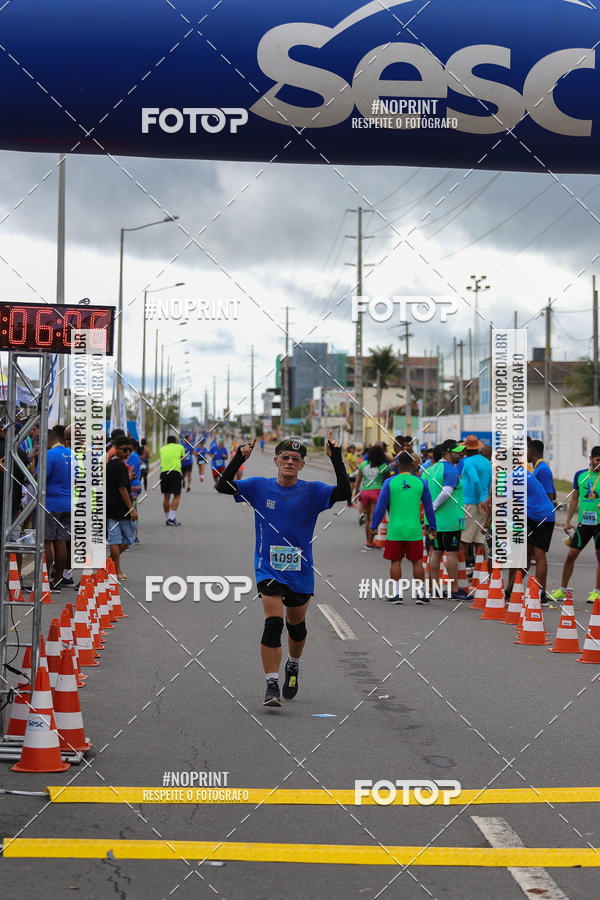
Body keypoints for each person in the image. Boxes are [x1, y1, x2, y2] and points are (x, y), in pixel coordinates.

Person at [216, 433, 351, 708]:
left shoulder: (312, 491)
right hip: (268, 568)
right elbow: (223, 486)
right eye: (285, 458)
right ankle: (271, 684)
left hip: (300, 570)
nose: (290, 462)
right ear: (276, 461)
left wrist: (336, 458)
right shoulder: (258, 487)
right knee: (274, 623)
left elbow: (345, 494)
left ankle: (293, 664)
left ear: (301, 466)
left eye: (296, 459)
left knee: (296, 626)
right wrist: (239, 457)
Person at [370, 450, 436, 605]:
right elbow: (429, 507)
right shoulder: (421, 482)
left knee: (395, 561)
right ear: (413, 464)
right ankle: (420, 595)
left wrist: (373, 526)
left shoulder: (389, 483)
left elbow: (380, 507)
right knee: (417, 561)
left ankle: (397, 595)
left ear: (397, 465)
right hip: (414, 529)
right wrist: (433, 526)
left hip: (395, 529)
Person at [551, 446, 600, 603]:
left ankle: (596, 592)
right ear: (591, 458)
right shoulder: (580, 475)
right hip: (584, 522)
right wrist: (567, 521)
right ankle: (562, 590)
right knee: (571, 554)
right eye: (598, 460)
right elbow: (574, 499)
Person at [505, 468, 555, 603]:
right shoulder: (523, 472)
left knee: (537, 555)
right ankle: (511, 591)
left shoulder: (510, 476)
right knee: (528, 555)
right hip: (542, 513)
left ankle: (539, 593)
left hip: (538, 515)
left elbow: (504, 503)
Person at [428, 439, 469, 601]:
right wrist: (434, 507)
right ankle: (454, 589)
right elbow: (447, 492)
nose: (460, 454)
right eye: (457, 451)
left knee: (436, 552)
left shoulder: (430, 470)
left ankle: (435, 588)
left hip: (434, 522)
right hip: (450, 520)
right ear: (447, 453)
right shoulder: (451, 470)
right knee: (452, 554)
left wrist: (429, 512)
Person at [106, 435, 138, 580]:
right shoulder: (119, 465)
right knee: (127, 539)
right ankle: (116, 569)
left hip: (109, 507)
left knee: (115, 539)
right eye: (125, 450)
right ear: (116, 449)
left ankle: (111, 565)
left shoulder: (110, 464)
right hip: (121, 508)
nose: (128, 453)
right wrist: (131, 508)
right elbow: (122, 489)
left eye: (130, 450)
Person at [44, 429, 72, 591]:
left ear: (47, 440)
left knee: (48, 541)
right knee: (61, 541)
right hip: (68, 503)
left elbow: (40, 478)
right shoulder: (71, 454)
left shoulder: (50, 455)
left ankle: (45, 578)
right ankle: (58, 580)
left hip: (51, 503)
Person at [459, 435, 493, 567]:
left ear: (466, 449)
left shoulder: (468, 462)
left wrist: (478, 499)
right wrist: (485, 500)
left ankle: (461, 568)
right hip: (483, 504)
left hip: (471, 502)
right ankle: (480, 569)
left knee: (464, 538)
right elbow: (490, 483)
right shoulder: (487, 462)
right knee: (478, 539)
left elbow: (475, 481)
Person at [354, 445, 391, 548]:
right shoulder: (383, 466)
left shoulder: (363, 464)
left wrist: (356, 493)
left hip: (365, 492)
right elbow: (388, 481)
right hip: (377, 492)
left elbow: (358, 482)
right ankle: (371, 541)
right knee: (373, 518)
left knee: (367, 519)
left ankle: (368, 542)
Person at [159, 435, 185, 526]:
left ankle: (167, 518)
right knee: (177, 495)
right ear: (175, 441)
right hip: (175, 472)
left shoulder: (162, 449)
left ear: (167, 442)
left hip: (164, 473)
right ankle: (172, 518)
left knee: (166, 496)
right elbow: (183, 459)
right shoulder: (180, 447)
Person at [127, 441, 142, 542]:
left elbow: (131, 473)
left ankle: (133, 536)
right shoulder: (134, 456)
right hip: (135, 485)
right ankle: (135, 536)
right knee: (133, 509)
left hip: (133, 486)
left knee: (131, 511)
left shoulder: (133, 456)